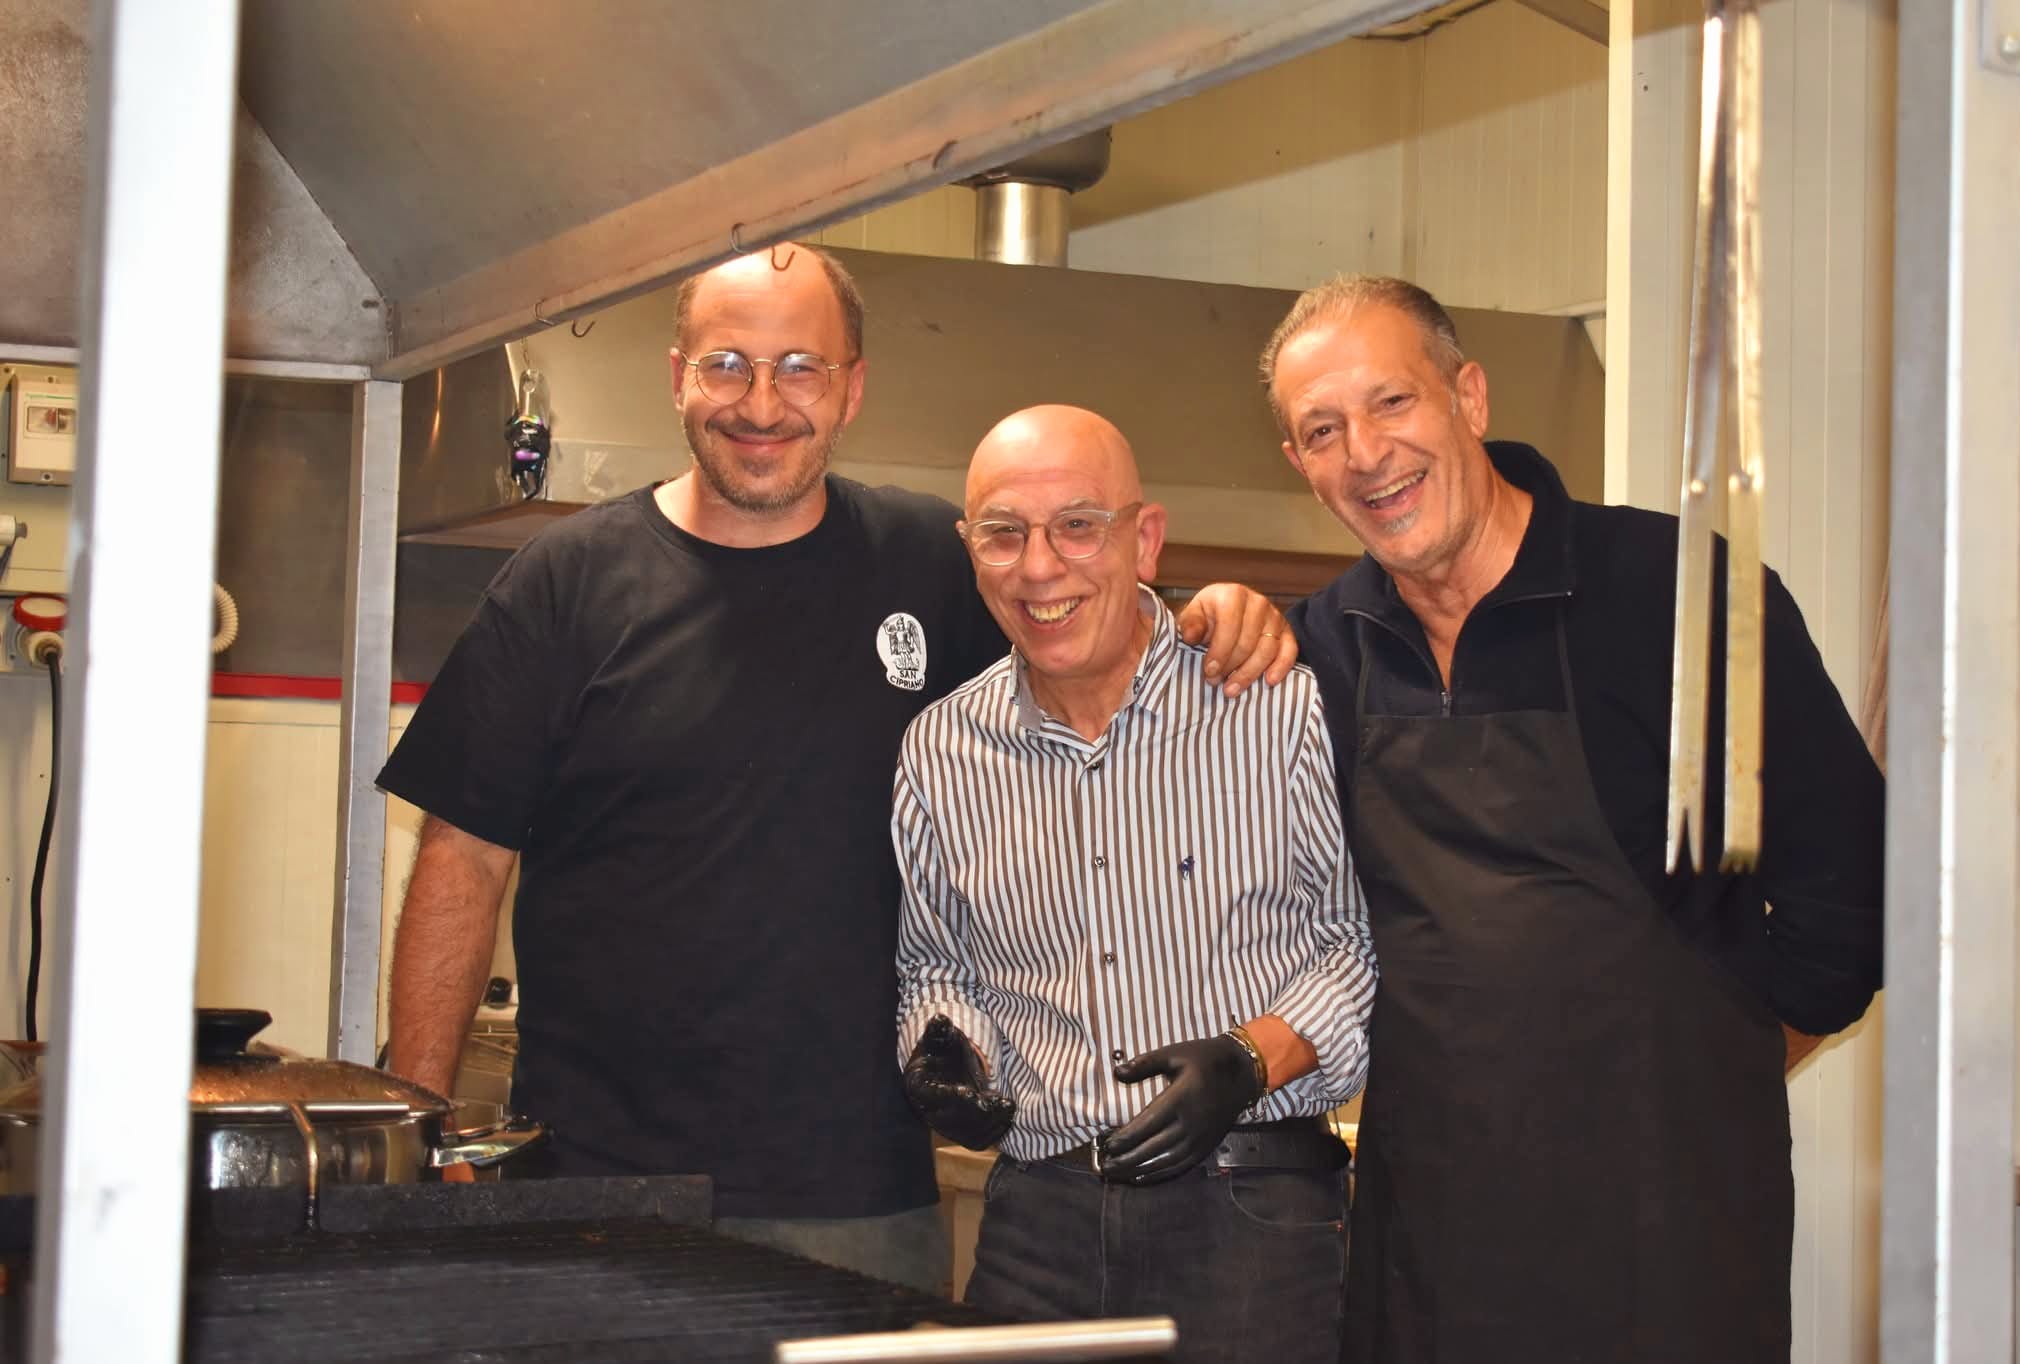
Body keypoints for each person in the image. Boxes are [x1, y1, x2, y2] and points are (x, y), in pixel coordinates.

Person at [373, 244, 1297, 1295]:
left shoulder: (932, 562)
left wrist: (1210, 609)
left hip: (861, 1199)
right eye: (727, 364)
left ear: (852, 388)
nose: (762, 403)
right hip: (594, 1194)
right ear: (676, 376)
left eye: (801, 367)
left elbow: (1086, 622)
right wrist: (419, 1129)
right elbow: (463, 858)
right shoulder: (563, 582)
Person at [1262, 275, 1886, 1362]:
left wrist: (1720, 1068)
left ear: (1469, 396)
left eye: (1391, 402)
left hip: (1668, 1229)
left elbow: (1853, 889)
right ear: (1299, 464)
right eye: (1323, 430)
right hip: (1431, 1237)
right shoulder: (1324, 646)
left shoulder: (1675, 596)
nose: (1364, 452)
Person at [892, 404, 1376, 1361]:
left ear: (1144, 538)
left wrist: (1247, 1060)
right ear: (971, 551)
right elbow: (937, 966)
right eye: (1004, 533)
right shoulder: (939, 751)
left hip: (1255, 1216)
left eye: (1078, 525)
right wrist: (950, 1049)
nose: (1040, 567)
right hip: (1037, 1222)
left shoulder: (1273, 704)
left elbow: (1361, 942)